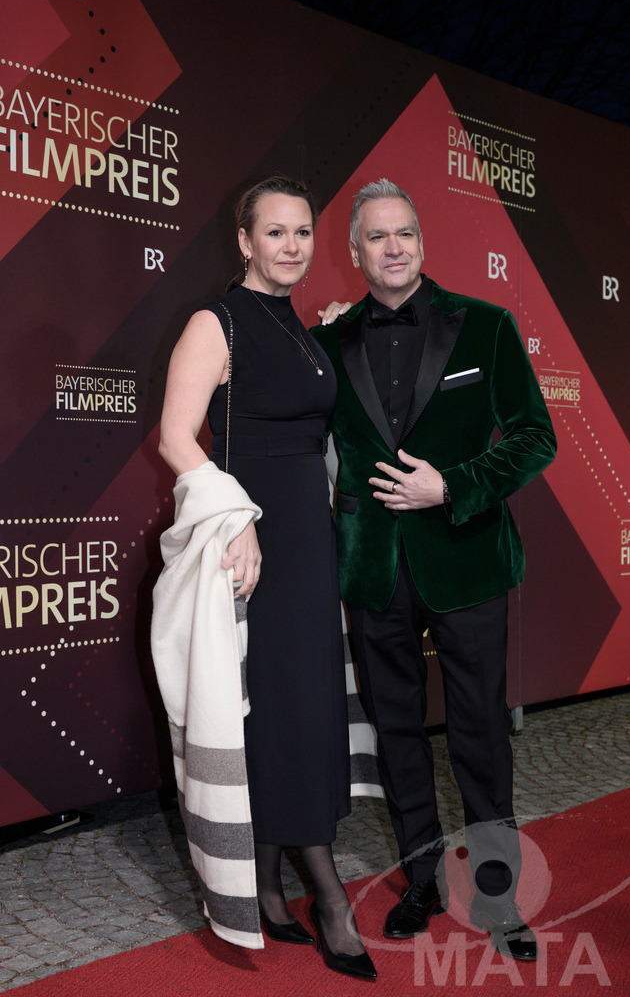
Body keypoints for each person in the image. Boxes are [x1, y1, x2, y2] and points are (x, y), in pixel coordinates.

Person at [312, 178, 557, 962]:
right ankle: (419, 878)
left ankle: (497, 896)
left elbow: (532, 437)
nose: (393, 247)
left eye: (405, 234)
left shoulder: (483, 326)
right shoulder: (327, 343)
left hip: (466, 560)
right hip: (373, 568)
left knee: (481, 733)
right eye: (378, 237)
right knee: (396, 733)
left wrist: (449, 485)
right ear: (355, 253)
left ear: (422, 243)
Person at [155, 176, 376, 980]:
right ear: (244, 241)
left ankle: (271, 884)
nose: (291, 246)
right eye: (274, 233)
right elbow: (177, 437)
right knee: (281, 708)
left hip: (308, 545)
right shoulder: (217, 322)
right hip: (251, 546)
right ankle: (330, 896)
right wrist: (238, 517)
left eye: (302, 233)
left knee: (305, 705)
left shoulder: (300, 330)